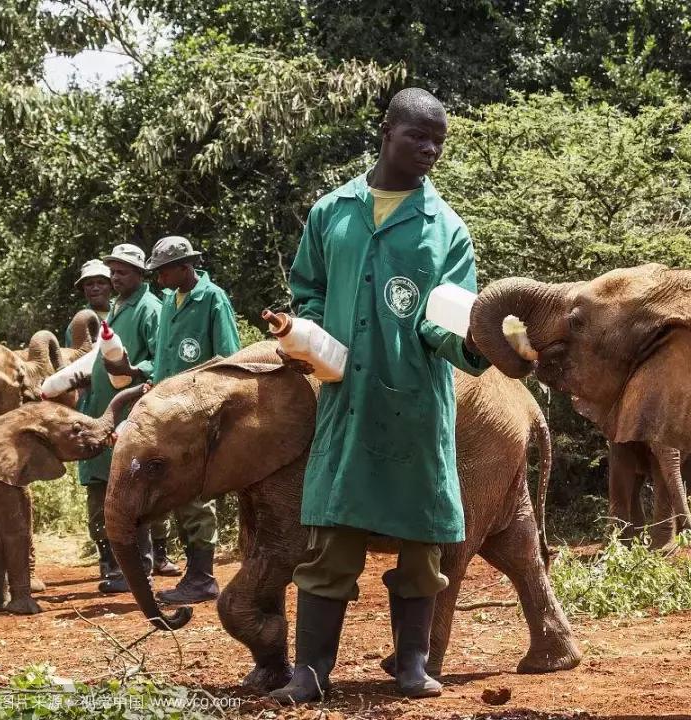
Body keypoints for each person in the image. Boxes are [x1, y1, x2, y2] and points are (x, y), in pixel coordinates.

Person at [270, 88, 489, 705]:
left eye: (438, 142)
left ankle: (413, 665)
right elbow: (306, 287)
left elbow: (449, 315)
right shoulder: (331, 211)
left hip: (416, 407)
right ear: (385, 130)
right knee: (332, 543)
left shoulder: (446, 229)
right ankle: (310, 671)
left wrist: (477, 346)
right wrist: (310, 334)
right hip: (346, 400)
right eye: (417, 136)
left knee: (422, 545)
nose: (429, 150)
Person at [107, 235, 241, 604]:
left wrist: (214, 410)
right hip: (168, 413)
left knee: (197, 495)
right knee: (178, 491)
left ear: (186, 267)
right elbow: (163, 358)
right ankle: (192, 573)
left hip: (199, 412)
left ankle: (202, 576)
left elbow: (229, 359)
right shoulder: (169, 301)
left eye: (163, 271)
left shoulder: (212, 299)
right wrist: (143, 375)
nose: (158, 278)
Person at [80, 244, 178, 591]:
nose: (115, 277)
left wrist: (134, 371)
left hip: (131, 414)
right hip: (105, 415)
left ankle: (139, 571)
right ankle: (121, 569)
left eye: (122, 271)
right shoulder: (119, 307)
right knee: (109, 491)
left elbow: (159, 359)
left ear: (140, 273)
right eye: (113, 271)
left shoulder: (150, 308)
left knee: (132, 493)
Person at [65, 259, 113, 347]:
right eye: (89, 284)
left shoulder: (123, 310)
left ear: (111, 286)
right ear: (83, 289)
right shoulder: (78, 326)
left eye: (101, 283)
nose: (95, 288)